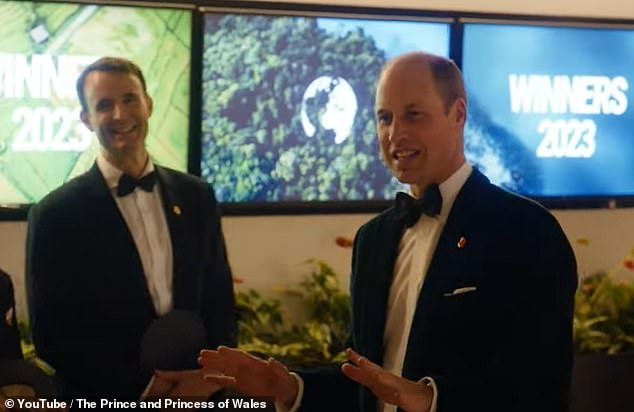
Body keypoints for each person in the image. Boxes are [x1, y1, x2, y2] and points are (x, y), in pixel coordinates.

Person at [198, 52, 578, 412]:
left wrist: (430, 399)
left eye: (414, 116)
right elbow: (363, 382)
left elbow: (542, 385)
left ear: (458, 114)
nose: (396, 134)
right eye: (384, 118)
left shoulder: (526, 231)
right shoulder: (373, 239)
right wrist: (289, 388)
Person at [26, 57, 236, 399]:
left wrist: (207, 379)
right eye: (104, 105)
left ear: (148, 105)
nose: (120, 115)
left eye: (129, 99)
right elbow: (51, 335)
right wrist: (146, 390)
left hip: (199, 395)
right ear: (86, 119)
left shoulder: (197, 195)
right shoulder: (55, 214)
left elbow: (220, 302)